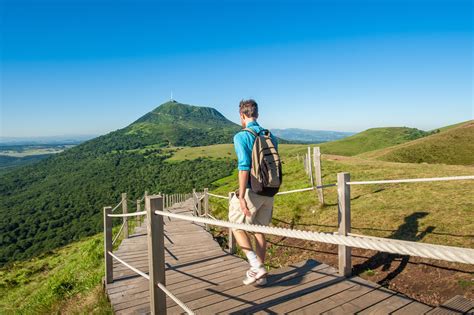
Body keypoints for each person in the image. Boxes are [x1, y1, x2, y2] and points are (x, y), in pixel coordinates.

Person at [228, 99, 278, 286]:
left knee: (235, 225)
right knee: (259, 230)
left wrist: (241, 196)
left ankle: (256, 266)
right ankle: (261, 275)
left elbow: (244, 167)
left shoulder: (241, 136)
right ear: (257, 114)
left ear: (242, 115)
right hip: (270, 190)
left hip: (252, 190)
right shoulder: (270, 135)